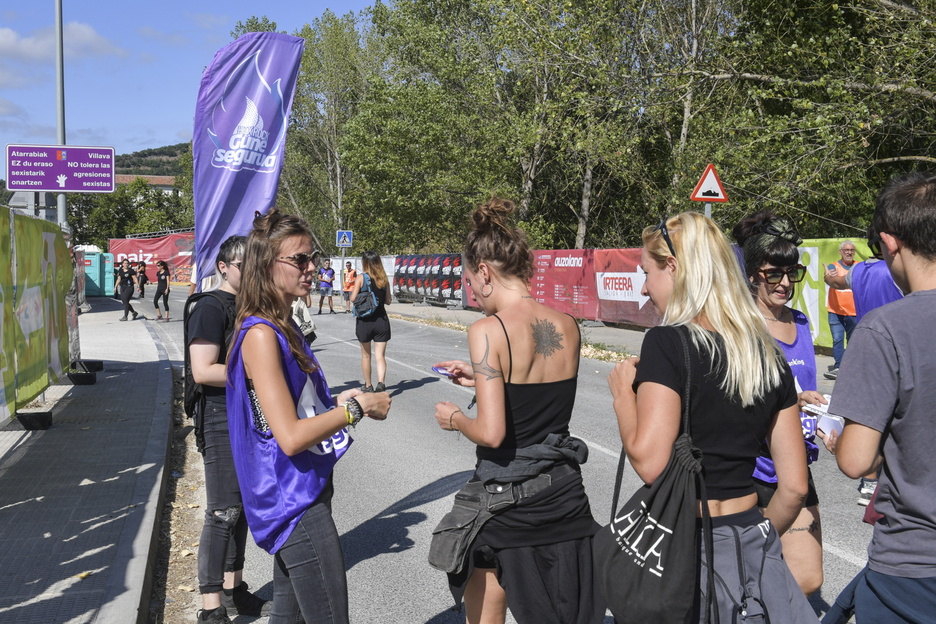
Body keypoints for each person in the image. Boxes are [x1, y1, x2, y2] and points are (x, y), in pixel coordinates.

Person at [608, 212, 817, 622]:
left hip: (690, 540)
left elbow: (650, 464)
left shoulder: (667, 342)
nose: (645, 287)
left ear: (673, 267)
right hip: (752, 535)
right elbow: (794, 488)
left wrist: (621, 397)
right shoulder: (767, 352)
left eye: (647, 273)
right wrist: (758, 537)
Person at [431, 197, 604, 624]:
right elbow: (538, 392)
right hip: (564, 495)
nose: (473, 294)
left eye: (470, 282)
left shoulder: (488, 331)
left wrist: (455, 419)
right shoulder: (568, 325)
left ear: (485, 273)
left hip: (508, 503)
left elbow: (492, 433)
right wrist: (481, 380)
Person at [225, 209, 391, 624]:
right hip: (290, 496)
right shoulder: (261, 334)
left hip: (303, 485)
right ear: (267, 265)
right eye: (300, 259)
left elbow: (289, 408)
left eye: (312, 257)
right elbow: (290, 436)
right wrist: (356, 409)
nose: (312, 267)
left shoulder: (284, 324)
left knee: (289, 615)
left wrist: (335, 402)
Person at [829, 172, 936, 623]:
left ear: (891, 242)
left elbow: (856, 461)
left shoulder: (884, 329)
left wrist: (845, 442)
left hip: (913, 565)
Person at [733, 212, 825, 596]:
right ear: (753, 274)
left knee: (807, 577)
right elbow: (731, 398)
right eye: (774, 274)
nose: (785, 283)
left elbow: (807, 386)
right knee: (749, 575)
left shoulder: (800, 321)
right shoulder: (741, 326)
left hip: (795, 465)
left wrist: (824, 416)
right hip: (752, 469)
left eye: (792, 273)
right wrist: (790, 401)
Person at [186, 236, 269, 624]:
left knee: (242, 509)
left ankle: (235, 591)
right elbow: (203, 371)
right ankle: (211, 608)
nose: (251, 272)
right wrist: (258, 371)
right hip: (220, 416)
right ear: (224, 267)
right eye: (243, 265)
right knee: (223, 511)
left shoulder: (249, 306)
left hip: (247, 414)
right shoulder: (210, 306)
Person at [823, 228, 904, 506]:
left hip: (867, 345)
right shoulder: (901, 270)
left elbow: (834, 281)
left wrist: (827, 276)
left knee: (869, 419)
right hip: (898, 348)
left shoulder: (860, 271)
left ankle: (869, 482)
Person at [350, 251, 392, 393]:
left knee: (366, 355)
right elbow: (388, 301)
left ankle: (368, 385)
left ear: (364, 263)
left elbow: (353, 298)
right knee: (380, 356)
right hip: (381, 320)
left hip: (365, 322)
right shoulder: (384, 279)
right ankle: (381, 382)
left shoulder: (361, 277)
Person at [823, 240, 857, 379]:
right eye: (846, 250)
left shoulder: (859, 267)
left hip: (853, 312)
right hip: (835, 311)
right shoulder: (833, 266)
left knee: (853, 341)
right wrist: (827, 275)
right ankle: (838, 367)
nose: (849, 252)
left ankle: (851, 367)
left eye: (851, 250)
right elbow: (828, 278)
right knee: (837, 339)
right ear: (840, 252)